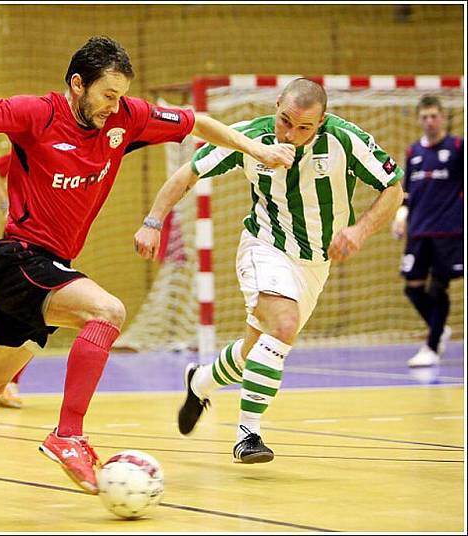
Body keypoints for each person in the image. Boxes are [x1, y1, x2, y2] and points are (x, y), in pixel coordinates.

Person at [0, 35, 294, 497]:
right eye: (107, 95)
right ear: (77, 85)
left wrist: (254, 150)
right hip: (18, 258)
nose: (114, 106)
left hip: (49, 264)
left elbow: (199, 123)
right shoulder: (37, 113)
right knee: (108, 311)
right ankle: (68, 435)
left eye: (120, 96)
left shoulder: (126, 118)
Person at [134, 78, 404, 463]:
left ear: (322, 121)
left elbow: (393, 185)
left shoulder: (345, 140)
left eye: (303, 128)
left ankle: (200, 381)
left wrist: (360, 230)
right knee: (283, 326)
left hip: (315, 263)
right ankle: (248, 434)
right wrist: (153, 222)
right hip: (265, 246)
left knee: (253, 351)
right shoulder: (249, 139)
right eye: (284, 121)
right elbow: (187, 174)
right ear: (276, 105)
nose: (290, 134)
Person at [391, 95, 463, 367]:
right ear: (419, 119)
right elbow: (407, 191)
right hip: (418, 231)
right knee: (412, 286)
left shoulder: (457, 147)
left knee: (438, 287)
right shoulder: (413, 153)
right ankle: (439, 329)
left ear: (442, 117)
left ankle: (431, 347)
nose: (429, 121)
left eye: (434, 116)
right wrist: (401, 215)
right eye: (424, 117)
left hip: (449, 232)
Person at [0, 151, 30, 409]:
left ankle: (3, 381)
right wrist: (6, 205)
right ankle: (3, 381)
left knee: (35, 318)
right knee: (21, 312)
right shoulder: (30, 149)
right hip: (23, 238)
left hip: (52, 240)